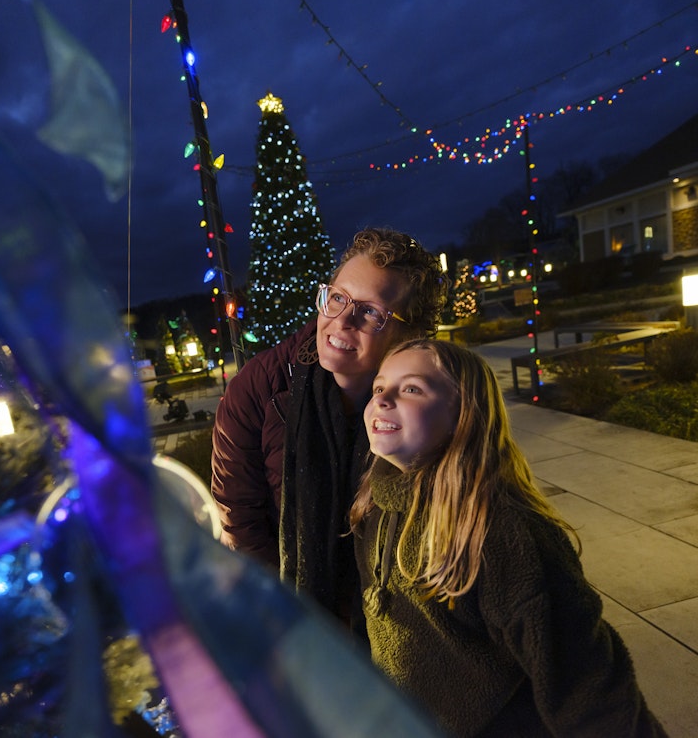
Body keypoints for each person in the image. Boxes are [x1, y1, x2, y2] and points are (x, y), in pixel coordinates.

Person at [351, 338, 667, 737]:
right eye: (379, 387)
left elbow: (584, 679)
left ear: (464, 415)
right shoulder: (374, 507)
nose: (382, 399)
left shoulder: (501, 531)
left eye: (412, 388)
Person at [210, 227, 446, 623]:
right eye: (338, 298)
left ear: (409, 333)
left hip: (399, 616)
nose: (342, 321)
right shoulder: (257, 389)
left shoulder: (430, 400)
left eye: (370, 312)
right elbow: (241, 519)